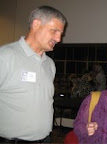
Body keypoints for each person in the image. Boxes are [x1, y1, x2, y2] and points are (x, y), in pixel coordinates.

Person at [0, 6, 67, 143]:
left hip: (45, 140)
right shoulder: (5, 56)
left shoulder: (50, 64)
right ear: (36, 24)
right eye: (55, 31)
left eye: (60, 33)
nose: (59, 38)